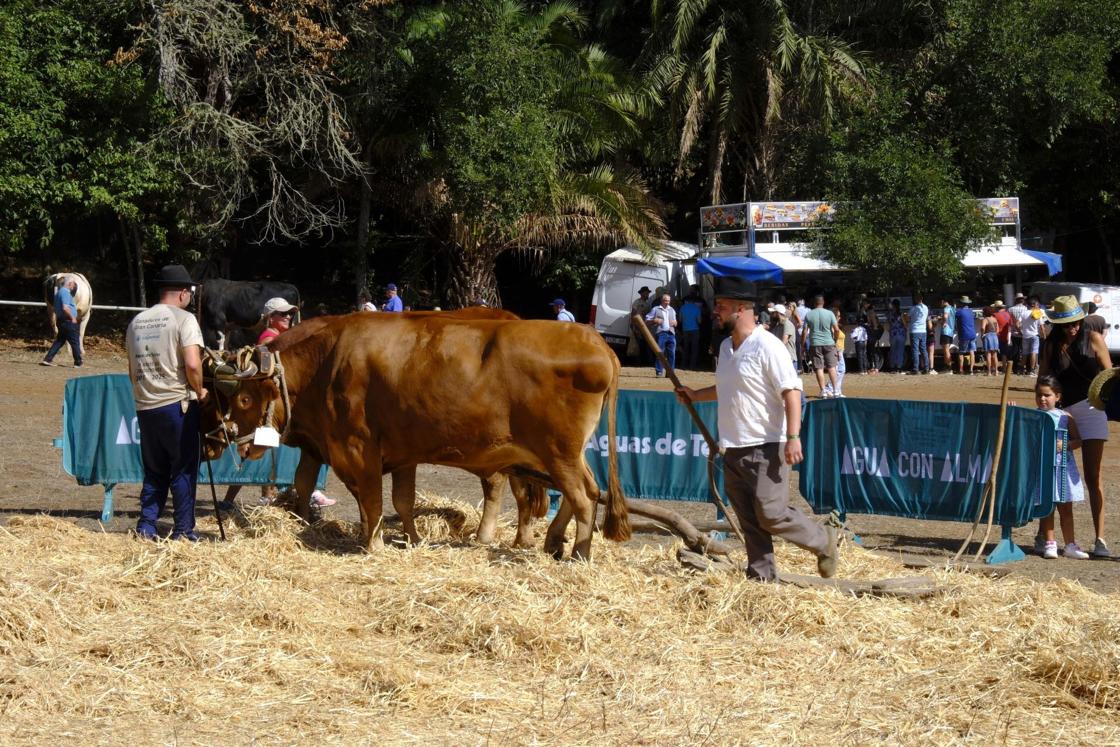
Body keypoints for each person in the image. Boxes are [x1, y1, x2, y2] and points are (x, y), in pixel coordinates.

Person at [674, 288, 839, 581]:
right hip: (733, 446)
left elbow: (791, 391)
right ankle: (762, 578)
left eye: (721, 305)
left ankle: (822, 540)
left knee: (771, 513)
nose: (716, 311)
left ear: (740, 308)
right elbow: (731, 387)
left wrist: (793, 437)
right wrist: (695, 395)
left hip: (767, 445)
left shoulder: (768, 346)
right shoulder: (726, 347)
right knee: (750, 520)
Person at [125, 265, 208, 541]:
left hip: (145, 405)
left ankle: (147, 526)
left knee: (154, 470)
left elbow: (130, 369)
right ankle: (183, 530)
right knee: (183, 469)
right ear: (183, 292)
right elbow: (193, 364)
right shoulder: (184, 320)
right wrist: (200, 390)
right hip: (177, 404)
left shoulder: (136, 322)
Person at [1038, 295, 1114, 558]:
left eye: (1076, 322)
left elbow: (1109, 374)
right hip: (1060, 410)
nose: (1073, 328)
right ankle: (1044, 535)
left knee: (1093, 476)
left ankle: (1100, 538)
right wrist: (1043, 408)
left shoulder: (1093, 338)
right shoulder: (1051, 344)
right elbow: (1043, 379)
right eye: (1068, 324)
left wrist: (1109, 403)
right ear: (1058, 324)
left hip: (1091, 407)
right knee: (1051, 474)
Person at [1031, 376, 1089, 559]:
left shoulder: (1065, 417)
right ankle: (1050, 543)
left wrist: (1065, 445)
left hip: (1063, 468)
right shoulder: (1033, 416)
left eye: (1047, 395)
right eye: (1039, 395)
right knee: (1047, 507)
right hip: (1043, 468)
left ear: (1057, 396)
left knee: (1066, 508)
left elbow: (1078, 440)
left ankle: (1070, 544)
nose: (1042, 399)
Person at [802, 295, 840, 397]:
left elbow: (805, 331)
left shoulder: (809, 315)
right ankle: (836, 390)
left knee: (819, 368)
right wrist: (835, 340)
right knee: (832, 367)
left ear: (814, 303)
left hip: (815, 343)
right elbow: (836, 329)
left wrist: (802, 345)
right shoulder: (830, 313)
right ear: (823, 303)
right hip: (829, 342)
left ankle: (823, 390)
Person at [41, 276, 83, 367]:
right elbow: (65, 307)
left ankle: (48, 359)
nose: (74, 286)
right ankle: (78, 362)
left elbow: (56, 308)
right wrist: (73, 318)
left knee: (59, 341)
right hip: (68, 321)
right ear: (69, 284)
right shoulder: (65, 293)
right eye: (73, 284)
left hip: (61, 320)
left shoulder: (58, 293)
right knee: (75, 341)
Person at [645, 293, 678, 377]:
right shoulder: (655, 309)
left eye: (668, 301)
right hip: (661, 333)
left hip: (671, 333)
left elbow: (675, 322)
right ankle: (659, 371)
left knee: (672, 354)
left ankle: (670, 372)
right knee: (660, 353)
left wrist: (675, 323)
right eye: (666, 301)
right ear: (662, 301)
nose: (667, 302)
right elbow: (647, 320)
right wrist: (654, 321)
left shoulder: (672, 310)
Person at [678, 287, 706, 370]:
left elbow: (680, 319)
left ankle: (683, 365)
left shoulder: (682, 308)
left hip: (685, 329)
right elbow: (699, 321)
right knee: (694, 348)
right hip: (695, 329)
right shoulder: (697, 308)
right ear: (693, 301)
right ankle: (692, 366)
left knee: (686, 347)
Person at [906, 292, 930, 375]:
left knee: (915, 350)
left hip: (914, 330)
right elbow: (926, 318)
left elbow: (908, 319)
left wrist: (905, 317)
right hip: (923, 331)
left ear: (916, 299)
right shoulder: (926, 308)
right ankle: (927, 368)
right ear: (922, 299)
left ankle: (916, 369)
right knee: (923, 349)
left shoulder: (913, 308)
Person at [1020, 296, 1044, 376]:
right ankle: (1032, 370)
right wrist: (1044, 336)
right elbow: (1042, 326)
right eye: (1037, 304)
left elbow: (1017, 324)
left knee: (1024, 353)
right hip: (1034, 335)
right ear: (1033, 305)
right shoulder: (1037, 313)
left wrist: (1020, 331)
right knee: (1034, 352)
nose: (1038, 306)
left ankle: (1021, 370)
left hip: (1025, 335)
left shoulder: (1023, 313)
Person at [955, 296, 977, 375]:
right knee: (972, 352)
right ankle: (971, 370)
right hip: (972, 334)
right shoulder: (971, 311)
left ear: (961, 303)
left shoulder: (959, 312)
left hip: (964, 334)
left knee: (961, 352)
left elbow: (954, 317)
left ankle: (961, 370)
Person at [1009, 293, 1029, 372]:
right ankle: (1026, 367)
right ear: (1022, 300)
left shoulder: (1010, 309)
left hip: (1014, 332)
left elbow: (1010, 321)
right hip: (1024, 332)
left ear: (1016, 300)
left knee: (1015, 350)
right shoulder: (1026, 309)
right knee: (1025, 350)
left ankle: (1015, 368)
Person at [993, 300, 1013, 372]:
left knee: (998, 352)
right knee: (1006, 352)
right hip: (1007, 335)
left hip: (998, 335)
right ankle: (1006, 367)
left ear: (996, 308)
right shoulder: (1008, 314)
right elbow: (1010, 325)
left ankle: (1002, 367)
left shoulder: (995, 315)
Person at [887, 299, 907, 373]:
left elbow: (888, 325)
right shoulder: (901, 314)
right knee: (900, 351)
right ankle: (899, 367)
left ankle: (892, 367)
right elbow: (905, 324)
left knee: (893, 351)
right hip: (901, 334)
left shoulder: (889, 314)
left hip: (893, 334)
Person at [981, 307, 1000, 376]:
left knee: (988, 355)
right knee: (995, 355)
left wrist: (982, 335)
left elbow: (983, 328)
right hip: (995, 337)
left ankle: (989, 372)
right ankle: (996, 371)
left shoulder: (985, 319)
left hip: (988, 336)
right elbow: (998, 330)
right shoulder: (995, 319)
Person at [939, 296, 955, 375]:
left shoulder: (946, 308)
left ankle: (949, 368)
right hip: (951, 331)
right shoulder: (952, 308)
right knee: (947, 350)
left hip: (946, 331)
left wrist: (943, 321)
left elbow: (945, 316)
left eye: (940, 301)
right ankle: (947, 367)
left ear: (944, 301)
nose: (940, 303)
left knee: (946, 350)